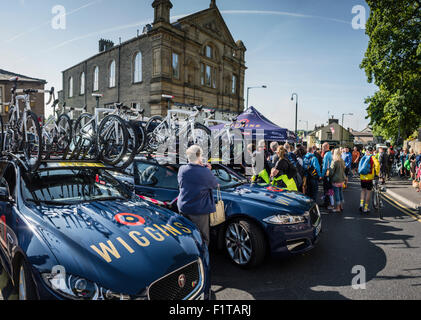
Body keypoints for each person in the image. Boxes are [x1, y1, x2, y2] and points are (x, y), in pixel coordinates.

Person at [177, 145, 218, 246]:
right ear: (200, 157)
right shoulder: (204, 171)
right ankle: (202, 259)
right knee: (202, 238)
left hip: (184, 207)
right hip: (198, 209)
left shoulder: (182, 169)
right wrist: (207, 170)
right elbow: (214, 185)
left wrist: (202, 168)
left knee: (187, 236)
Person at [359, 146, 380, 214]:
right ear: (372, 151)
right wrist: (376, 173)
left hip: (362, 177)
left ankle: (361, 204)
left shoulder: (363, 157)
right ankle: (365, 208)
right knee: (368, 192)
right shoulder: (372, 157)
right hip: (369, 177)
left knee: (363, 190)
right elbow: (377, 165)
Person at [329, 149, 347, 213]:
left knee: (336, 194)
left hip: (336, 180)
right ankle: (341, 206)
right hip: (342, 179)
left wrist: (329, 177)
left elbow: (331, 172)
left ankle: (338, 208)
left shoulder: (334, 161)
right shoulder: (342, 161)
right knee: (340, 193)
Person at [321, 143, 334, 209]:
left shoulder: (326, 155)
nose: (322, 149)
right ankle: (328, 203)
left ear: (326, 147)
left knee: (326, 189)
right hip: (331, 174)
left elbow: (325, 166)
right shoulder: (330, 154)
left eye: (322, 147)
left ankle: (326, 203)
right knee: (329, 189)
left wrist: (322, 175)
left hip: (327, 174)